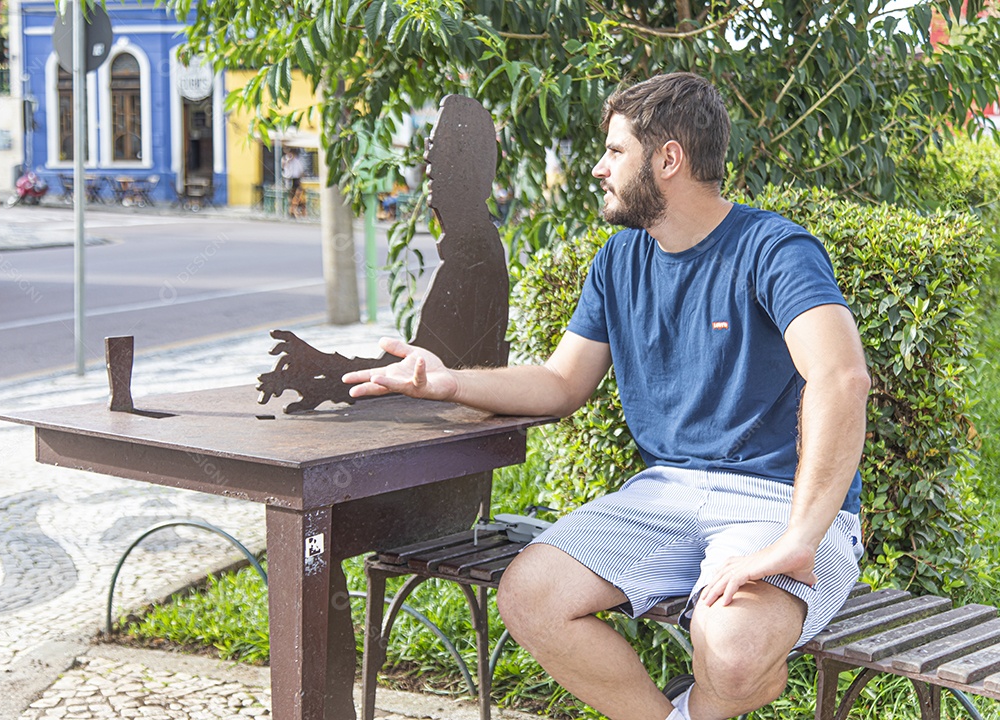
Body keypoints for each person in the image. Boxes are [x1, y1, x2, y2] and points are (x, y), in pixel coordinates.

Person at [343, 72, 870, 720]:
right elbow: (563, 383)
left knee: (730, 656)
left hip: (775, 503)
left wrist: (801, 536)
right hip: (666, 493)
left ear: (668, 158)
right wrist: (448, 381)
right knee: (530, 595)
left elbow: (841, 377)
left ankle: (733, 681)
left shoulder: (774, 248)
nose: (598, 168)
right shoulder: (619, 261)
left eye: (615, 151)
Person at [281, 148, 306, 217]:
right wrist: (287, 161)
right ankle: (289, 211)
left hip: (296, 178)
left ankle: (293, 210)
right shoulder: (285, 159)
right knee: (289, 194)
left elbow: (301, 170)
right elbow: (283, 166)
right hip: (288, 178)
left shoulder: (297, 160)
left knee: (297, 195)